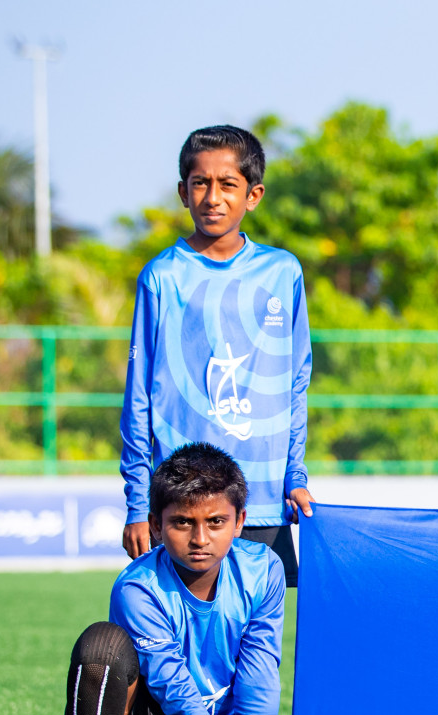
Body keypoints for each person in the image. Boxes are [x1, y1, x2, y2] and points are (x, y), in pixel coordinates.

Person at [58, 443, 293, 715]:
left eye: (216, 521)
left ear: (240, 522)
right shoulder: (137, 588)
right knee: (102, 647)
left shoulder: (265, 571)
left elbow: (259, 687)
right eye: (182, 523)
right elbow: (182, 700)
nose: (200, 538)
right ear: (155, 524)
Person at [119, 124, 313, 586]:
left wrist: (295, 475)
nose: (213, 197)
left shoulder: (282, 272)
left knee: (257, 633)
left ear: (253, 194)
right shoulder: (161, 277)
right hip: (184, 502)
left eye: (228, 184)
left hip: (263, 496)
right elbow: (139, 399)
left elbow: (295, 384)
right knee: (181, 632)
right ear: (182, 192)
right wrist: (137, 502)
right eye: (200, 183)